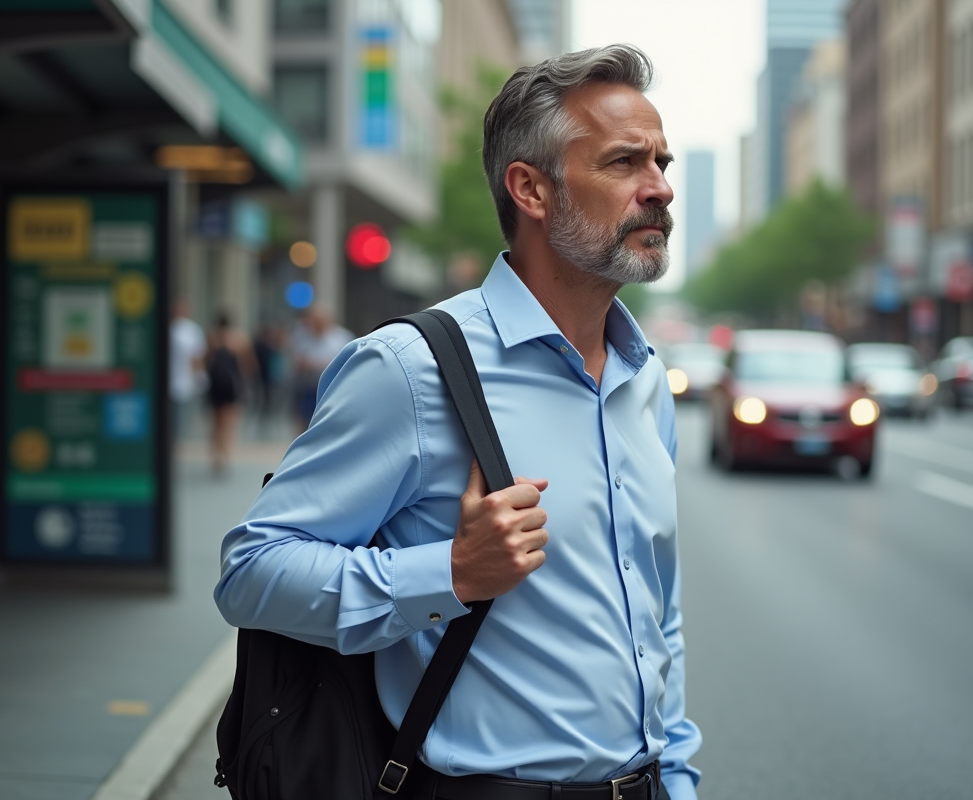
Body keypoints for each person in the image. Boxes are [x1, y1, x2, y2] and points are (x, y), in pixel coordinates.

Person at [215, 44, 700, 800]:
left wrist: (678, 779)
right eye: (624, 163)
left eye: (663, 163)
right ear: (530, 190)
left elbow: (658, 619)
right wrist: (447, 575)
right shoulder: (410, 370)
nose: (660, 189)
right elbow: (252, 571)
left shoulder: (644, 383)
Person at [204, 311, 255, 475]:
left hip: (214, 385)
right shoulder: (239, 340)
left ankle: (216, 454)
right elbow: (247, 365)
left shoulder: (211, 338)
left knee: (215, 422)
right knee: (228, 422)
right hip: (231, 386)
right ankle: (225, 454)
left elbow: (205, 362)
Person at [287, 305, 353, 431]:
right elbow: (295, 361)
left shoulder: (342, 338)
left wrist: (313, 364)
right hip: (306, 386)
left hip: (332, 387)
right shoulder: (301, 336)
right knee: (303, 421)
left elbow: (345, 363)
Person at [168, 299, 206, 439]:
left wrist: (200, 376)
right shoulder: (169, 327)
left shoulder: (191, 330)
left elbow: (196, 356)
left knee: (179, 417)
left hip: (183, 381)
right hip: (170, 380)